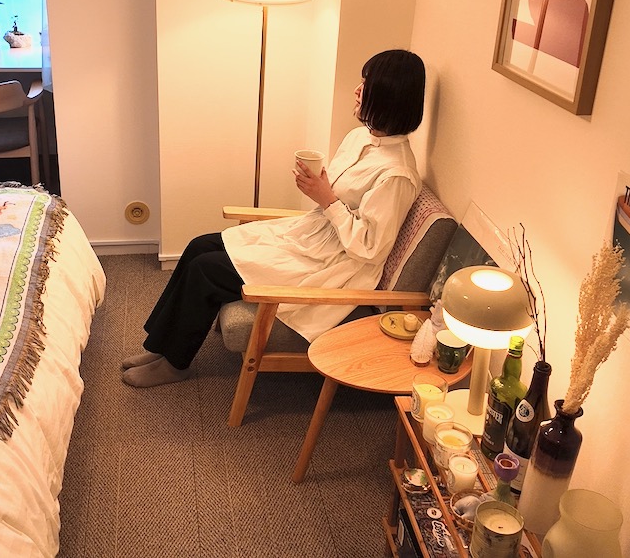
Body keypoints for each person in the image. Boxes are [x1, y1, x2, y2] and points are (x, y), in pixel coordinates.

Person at [122, 49, 426, 388]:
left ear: (390, 96)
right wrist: (319, 189)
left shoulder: (397, 175)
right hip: (313, 236)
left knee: (206, 269)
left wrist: (326, 198)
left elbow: (370, 248)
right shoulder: (359, 138)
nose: (357, 90)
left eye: (367, 85)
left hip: (336, 264)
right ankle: (160, 346)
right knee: (198, 246)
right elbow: (336, 198)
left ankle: (176, 363)